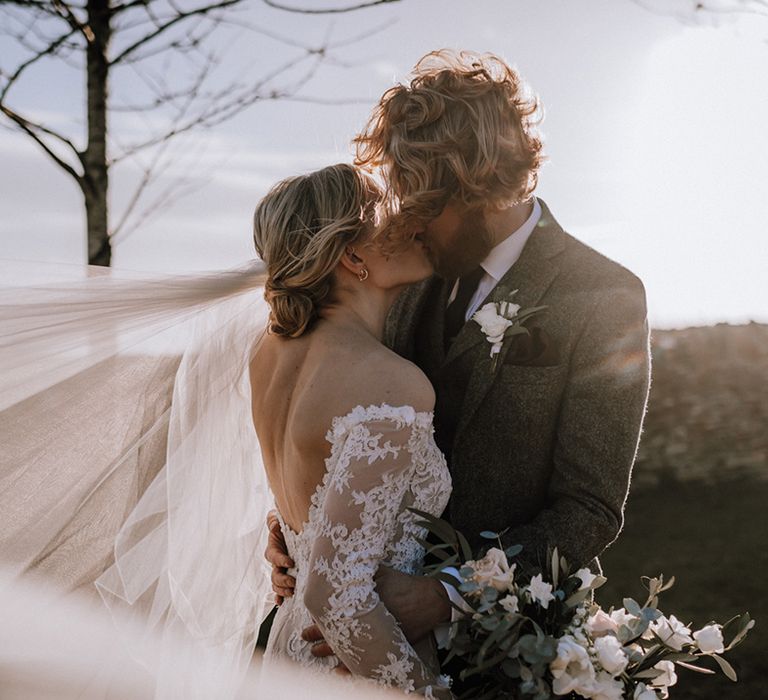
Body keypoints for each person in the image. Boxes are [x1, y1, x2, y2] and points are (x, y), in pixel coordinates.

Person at [265, 49, 652, 678]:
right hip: (348, 643)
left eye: (424, 205)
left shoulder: (604, 296)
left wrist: (447, 594)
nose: (406, 220)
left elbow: (590, 506)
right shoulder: (403, 280)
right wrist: (302, 536)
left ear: (482, 188)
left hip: (505, 654)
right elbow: (346, 424)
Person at [250, 163, 453, 698]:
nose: (414, 222)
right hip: (358, 666)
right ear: (354, 255)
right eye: (391, 214)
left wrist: (286, 533)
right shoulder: (391, 383)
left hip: (289, 655)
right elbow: (335, 592)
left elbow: (309, 497)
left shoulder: (266, 356)